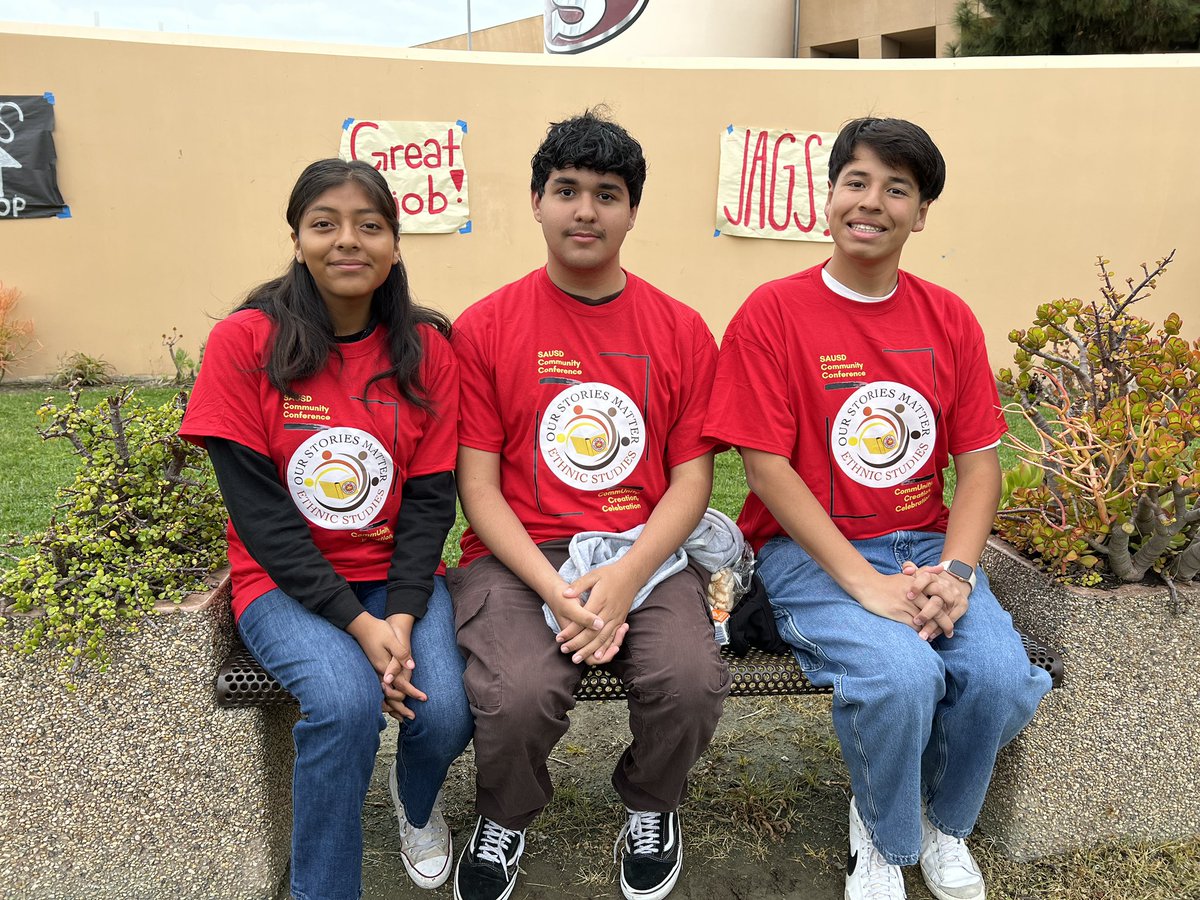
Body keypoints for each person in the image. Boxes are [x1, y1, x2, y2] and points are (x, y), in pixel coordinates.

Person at [703, 118, 1053, 900]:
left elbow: (981, 464)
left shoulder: (949, 318)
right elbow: (764, 469)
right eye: (856, 182)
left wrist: (958, 574)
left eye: (897, 188)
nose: (872, 202)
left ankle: (944, 824)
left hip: (926, 544)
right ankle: (884, 830)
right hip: (811, 554)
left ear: (921, 213)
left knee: (997, 675)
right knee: (898, 676)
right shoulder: (773, 312)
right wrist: (864, 583)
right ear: (829, 198)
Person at [447, 110, 731, 900]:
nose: (585, 210)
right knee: (519, 694)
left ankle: (651, 801)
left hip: (646, 549)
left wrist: (628, 575)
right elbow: (478, 487)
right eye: (566, 190)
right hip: (519, 556)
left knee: (690, 678)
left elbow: (691, 479)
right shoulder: (486, 328)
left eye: (607, 194)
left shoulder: (678, 330)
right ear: (536, 201)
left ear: (632, 211)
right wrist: (558, 593)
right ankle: (504, 815)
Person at [180, 158, 472, 899]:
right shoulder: (247, 342)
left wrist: (400, 614)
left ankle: (415, 807)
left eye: (369, 226)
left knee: (445, 714)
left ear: (395, 246)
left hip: (398, 581)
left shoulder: (428, 350)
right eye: (325, 224)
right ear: (297, 237)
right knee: (343, 704)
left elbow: (432, 502)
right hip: (284, 583)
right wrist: (356, 624)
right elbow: (260, 515)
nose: (348, 241)